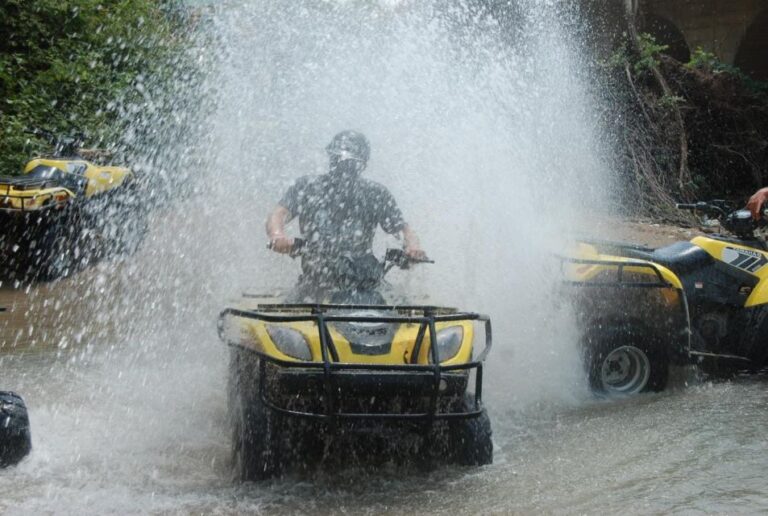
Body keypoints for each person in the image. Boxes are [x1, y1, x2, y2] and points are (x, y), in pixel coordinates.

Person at [266, 130, 426, 301]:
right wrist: (278, 236)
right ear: (331, 159)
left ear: (362, 164)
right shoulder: (308, 187)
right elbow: (278, 215)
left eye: (350, 163)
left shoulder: (375, 193)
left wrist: (412, 247)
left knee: (406, 315)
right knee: (287, 319)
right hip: (317, 283)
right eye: (338, 160)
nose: (343, 168)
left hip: (368, 283)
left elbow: (404, 230)